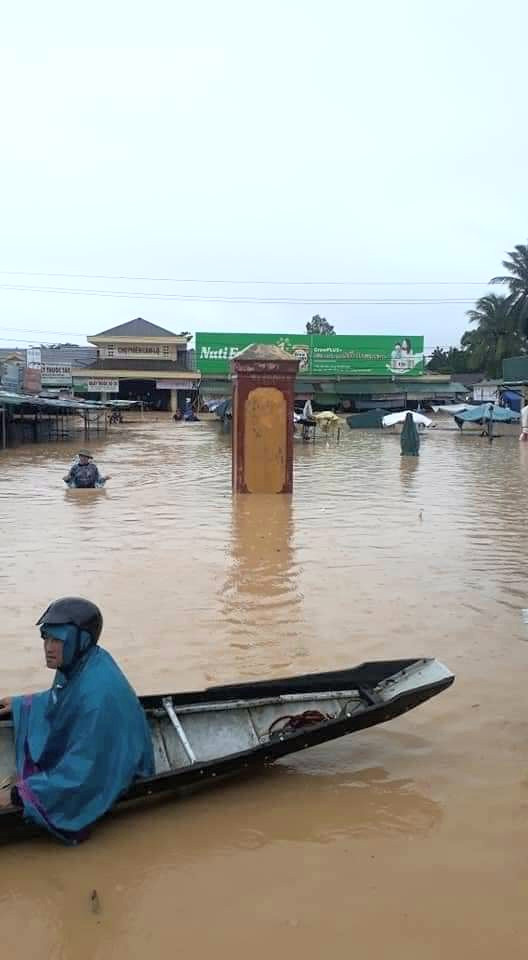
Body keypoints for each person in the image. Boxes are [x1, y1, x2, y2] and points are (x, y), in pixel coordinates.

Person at [0, 597, 154, 843]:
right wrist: (23, 704)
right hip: (95, 751)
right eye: (46, 638)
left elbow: (82, 774)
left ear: (80, 641)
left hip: (117, 769)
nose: (48, 648)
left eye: (58, 640)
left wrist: (18, 796)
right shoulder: (81, 662)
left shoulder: (97, 697)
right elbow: (64, 698)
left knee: (29, 792)